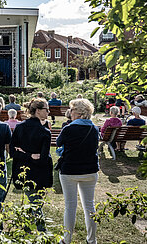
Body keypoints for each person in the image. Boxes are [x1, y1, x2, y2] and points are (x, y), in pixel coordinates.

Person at [56, 98, 99, 244]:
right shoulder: (94, 128)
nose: (70, 112)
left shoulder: (69, 128)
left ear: (80, 112)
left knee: (70, 206)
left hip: (70, 170)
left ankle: (66, 240)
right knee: (89, 206)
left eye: (72, 109)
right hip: (90, 170)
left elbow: (58, 142)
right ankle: (92, 240)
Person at [10, 98, 53, 231]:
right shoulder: (44, 132)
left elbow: (14, 151)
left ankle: (26, 227)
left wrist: (24, 153)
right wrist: (31, 155)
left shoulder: (20, 127)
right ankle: (43, 232)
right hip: (39, 174)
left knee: (35, 202)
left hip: (24, 171)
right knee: (36, 204)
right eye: (46, 109)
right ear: (38, 111)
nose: (49, 111)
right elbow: (42, 158)